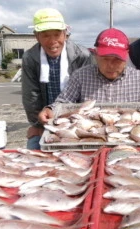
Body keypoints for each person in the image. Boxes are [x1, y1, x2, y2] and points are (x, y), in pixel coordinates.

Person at [38, 28, 140, 124]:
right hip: (91, 138)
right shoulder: (80, 76)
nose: (111, 65)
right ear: (96, 54)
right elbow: (64, 101)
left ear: (126, 56)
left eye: (117, 60)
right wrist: (50, 109)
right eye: (105, 59)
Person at [21, 8, 93, 149]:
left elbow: (88, 92)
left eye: (57, 34)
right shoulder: (30, 57)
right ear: (37, 36)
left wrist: (81, 123)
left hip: (75, 118)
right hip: (45, 119)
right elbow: (31, 95)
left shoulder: (82, 55)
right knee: (34, 149)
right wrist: (37, 125)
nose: (52, 41)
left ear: (65, 34)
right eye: (45, 35)